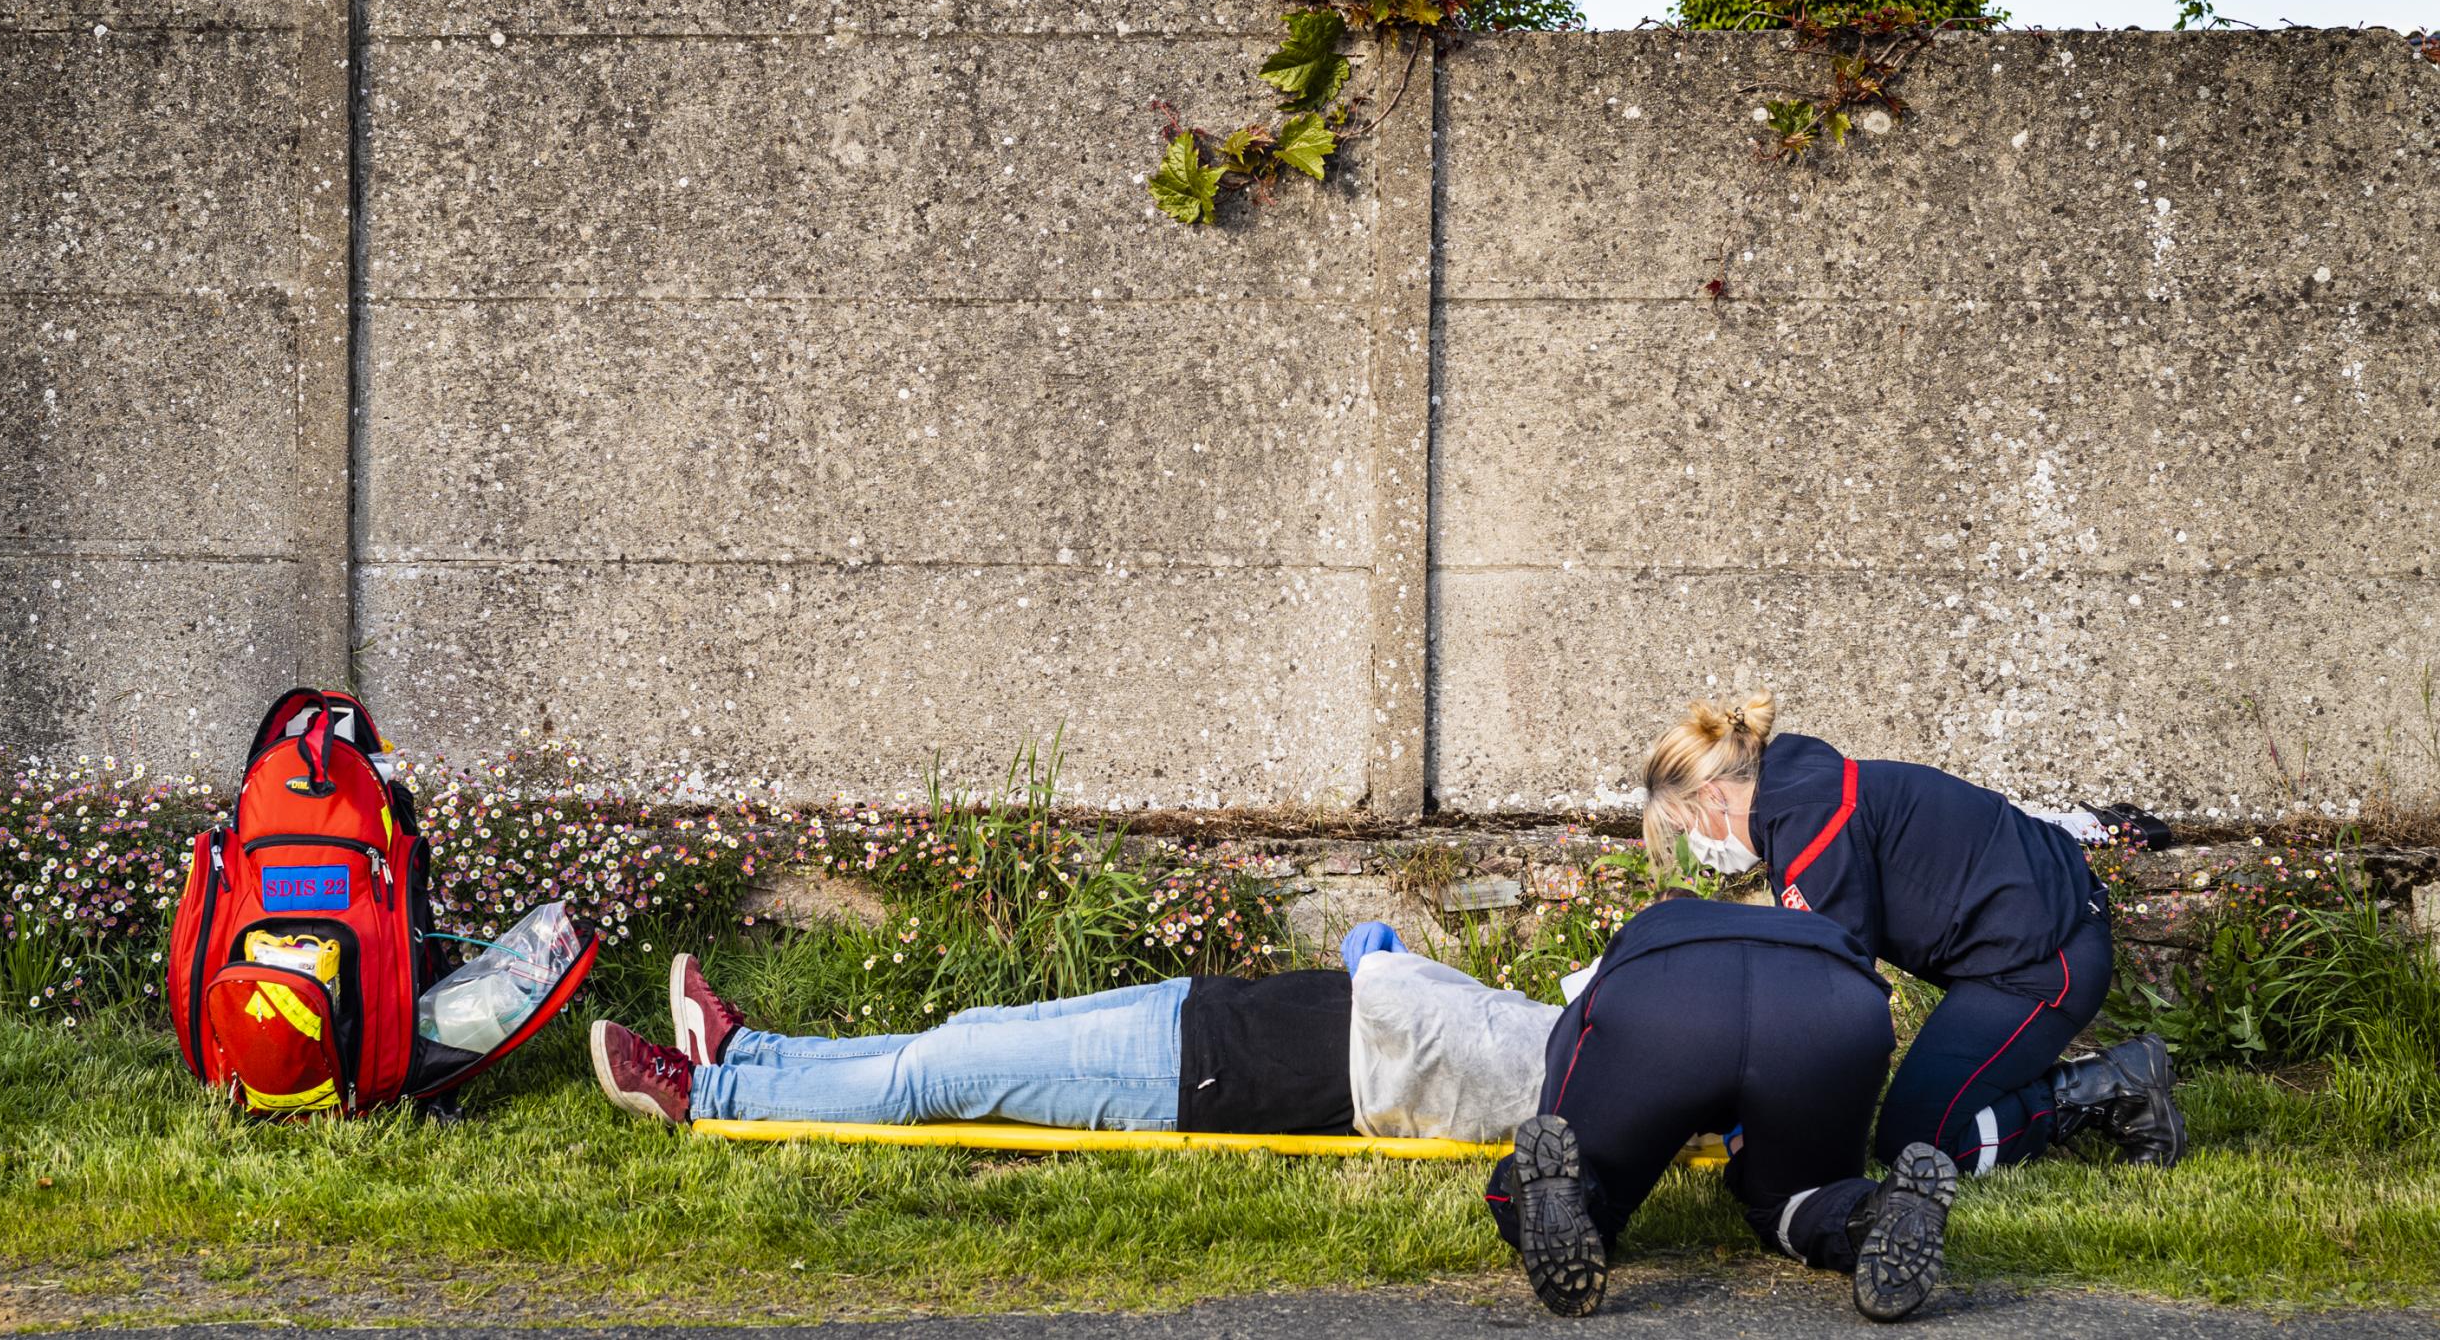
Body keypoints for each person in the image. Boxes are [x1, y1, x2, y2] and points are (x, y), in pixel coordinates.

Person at [1637, 692, 2185, 1176]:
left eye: (1687, 829)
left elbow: (1834, 995)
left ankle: (2107, 1089)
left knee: (1919, 1145)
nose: (1698, 849)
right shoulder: (1795, 795)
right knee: (1914, 1122)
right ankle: (2072, 1082)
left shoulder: (1810, 824)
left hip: (2044, 962)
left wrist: (1756, 1106)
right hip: (2016, 947)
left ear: (1712, 796)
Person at [589, 925, 1561, 1144]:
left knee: (939, 1073)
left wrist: (1377, 967)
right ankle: (752, 1056)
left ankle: (704, 1094)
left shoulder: (1546, 1075)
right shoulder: (1555, 1028)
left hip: (1201, 1073)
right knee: (962, 1033)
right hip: (1200, 1009)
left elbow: (1422, 1046)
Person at [1486, 894, 1956, 1323]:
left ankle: (1560, 1194)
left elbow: (1565, 1054)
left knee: (1590, 1178)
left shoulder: (1647, 931)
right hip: (1834, 997)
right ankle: (1869, 1212)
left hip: (1665, 993)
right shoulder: (1799, 924)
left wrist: (1571, 1124)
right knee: (1803, 1194)